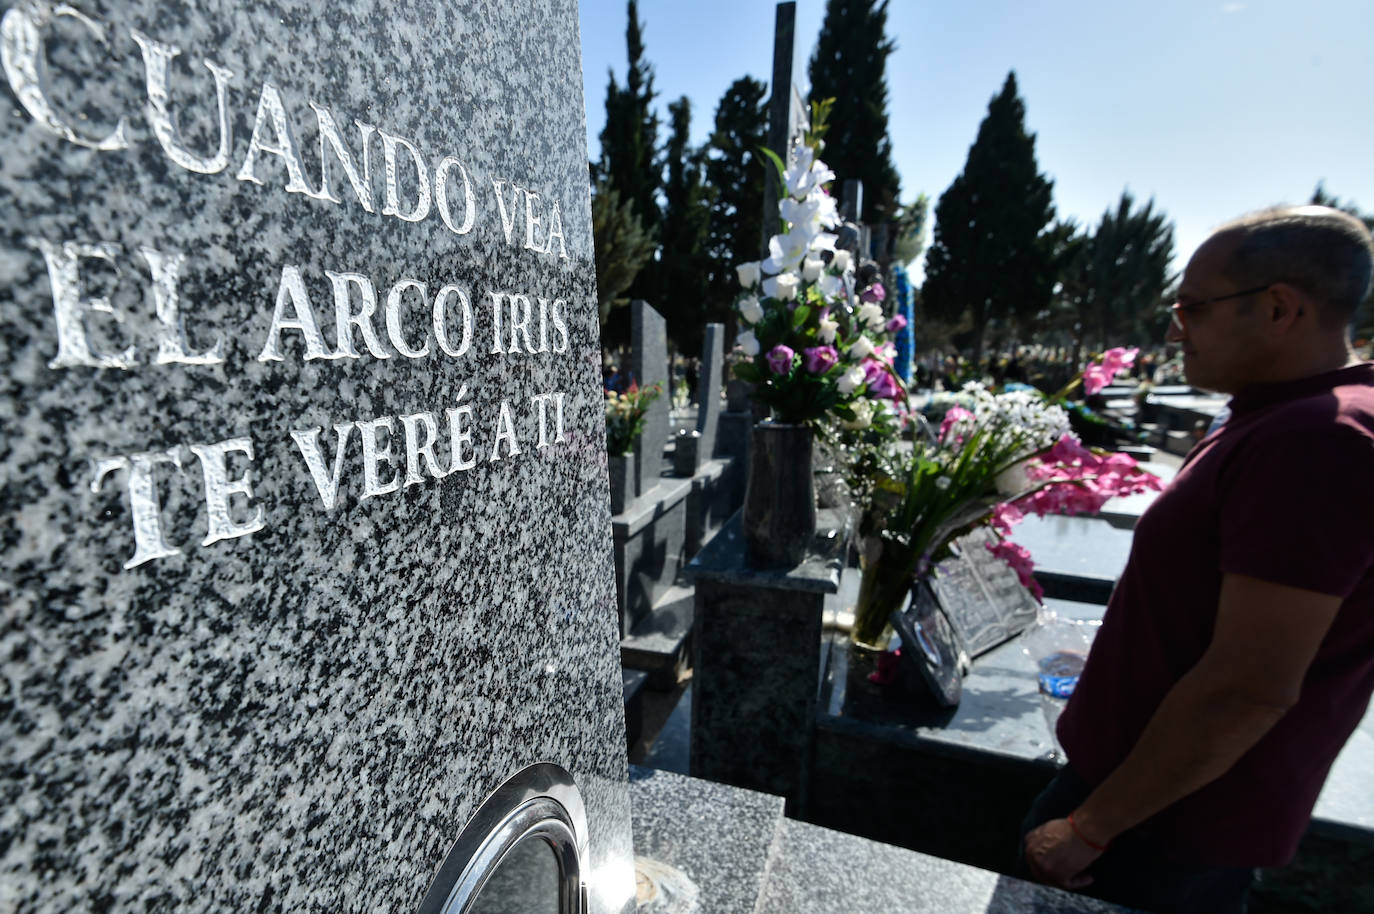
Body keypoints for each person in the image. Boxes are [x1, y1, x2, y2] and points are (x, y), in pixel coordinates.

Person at [1020, 206, 1374, 914]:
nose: (1175, 329)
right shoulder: (1283, 416)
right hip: (1148, 806)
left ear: (1279, 308)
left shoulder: (1318, 440)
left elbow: (1249, 686)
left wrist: (1091, 827)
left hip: (1155, 833)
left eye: (1193, 307)